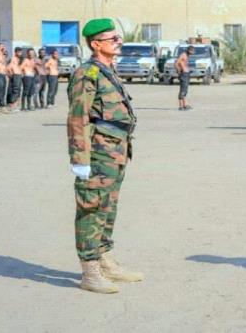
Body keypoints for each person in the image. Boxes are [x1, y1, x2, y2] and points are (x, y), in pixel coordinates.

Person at [67, 18, 142, 294]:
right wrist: (80, 160)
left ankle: (106, 261)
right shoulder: (87, 73)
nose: (118, 42)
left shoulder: (108, 70)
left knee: (108, 207)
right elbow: (78, 118)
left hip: (116, 149)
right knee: (92, 208)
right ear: (96, 44)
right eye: (113, 39)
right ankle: (90, 272)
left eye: (117, 38)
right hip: (98, 152)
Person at [175, 46, 194, 111]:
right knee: (182, 90)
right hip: (183, 74)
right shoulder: (183, 55)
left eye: (192, 51)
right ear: (188, 50)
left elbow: (185, 64)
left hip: (186, 74)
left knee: (185, 91)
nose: (192, 53)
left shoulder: (187, 56)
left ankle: (185, 105)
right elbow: (176, 63)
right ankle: (180, 106)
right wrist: (179, 71)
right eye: (191, 51)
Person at [7, 47, 23, 112]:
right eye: (19, 52)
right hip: (15, 75)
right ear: (15, 52)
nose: (20, 53)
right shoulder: (13, 58)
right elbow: (8, 67)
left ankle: (16, 106)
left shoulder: (18, 59)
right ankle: (12, 106)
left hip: (18, 75)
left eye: (21, 52)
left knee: (18, 91)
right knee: (15, 90)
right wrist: (10, 74)